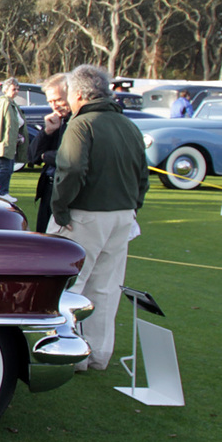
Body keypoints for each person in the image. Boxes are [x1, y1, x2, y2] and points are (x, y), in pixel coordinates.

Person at [48, 64, 149, 371]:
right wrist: (134, 204)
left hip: (87, 213)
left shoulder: (82, 125)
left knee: (71, 285)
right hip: (122, 213)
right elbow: (142, 172)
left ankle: (70, 352)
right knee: (105, 287)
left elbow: (72, 169)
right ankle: (98, 353)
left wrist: (60, 207)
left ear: (78, 94)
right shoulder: (127, 124)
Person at [28, 73, 71, 233]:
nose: (55, 106)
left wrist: (48, 156)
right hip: (48, 189)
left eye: (58, 100)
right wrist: (47, 131)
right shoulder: (58, 121)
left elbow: (71, 158)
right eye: (51, 101)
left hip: (65, 192)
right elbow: (32, 156)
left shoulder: (78, 122)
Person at [0, 77, 27, 198]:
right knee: (5, 169)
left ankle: (4, 192)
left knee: (9, 168)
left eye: (18, 89)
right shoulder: (4, 101)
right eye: (14, 89)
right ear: (6, 89)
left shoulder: (12, 103)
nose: (16, 91)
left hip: (12, 141)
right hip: (4, 141)